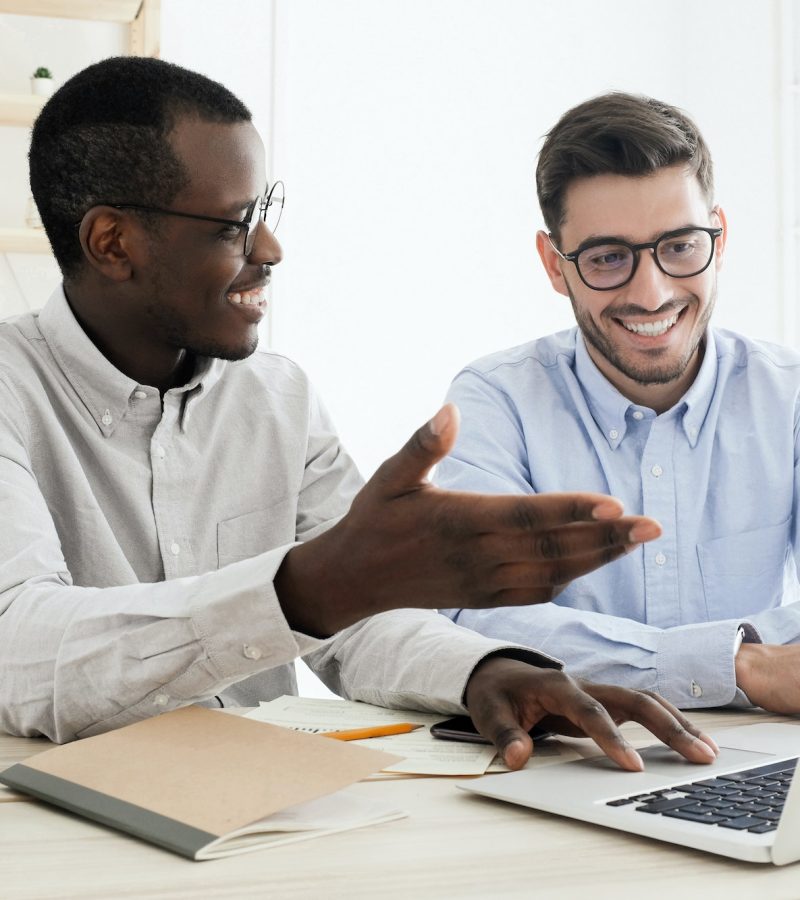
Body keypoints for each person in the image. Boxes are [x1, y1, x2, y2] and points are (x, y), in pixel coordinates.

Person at [0, 59, 717, 773]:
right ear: (112, 243)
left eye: (267, 211)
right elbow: (19, 650)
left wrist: (484, 673)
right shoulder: (11, 388)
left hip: (262, 803)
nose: (272, 249)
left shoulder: (278, 398)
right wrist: (300, 589)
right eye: (233, 226)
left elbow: (360, 619)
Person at [435, 91, 800, 716]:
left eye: (681, 246)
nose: (652, 293)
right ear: (555, 265)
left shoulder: (787, 395)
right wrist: (737, 664)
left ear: (720, 234)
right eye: (609, 258)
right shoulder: (498, 401)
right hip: (576, 754)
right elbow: (472, 617)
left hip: (765, 748)